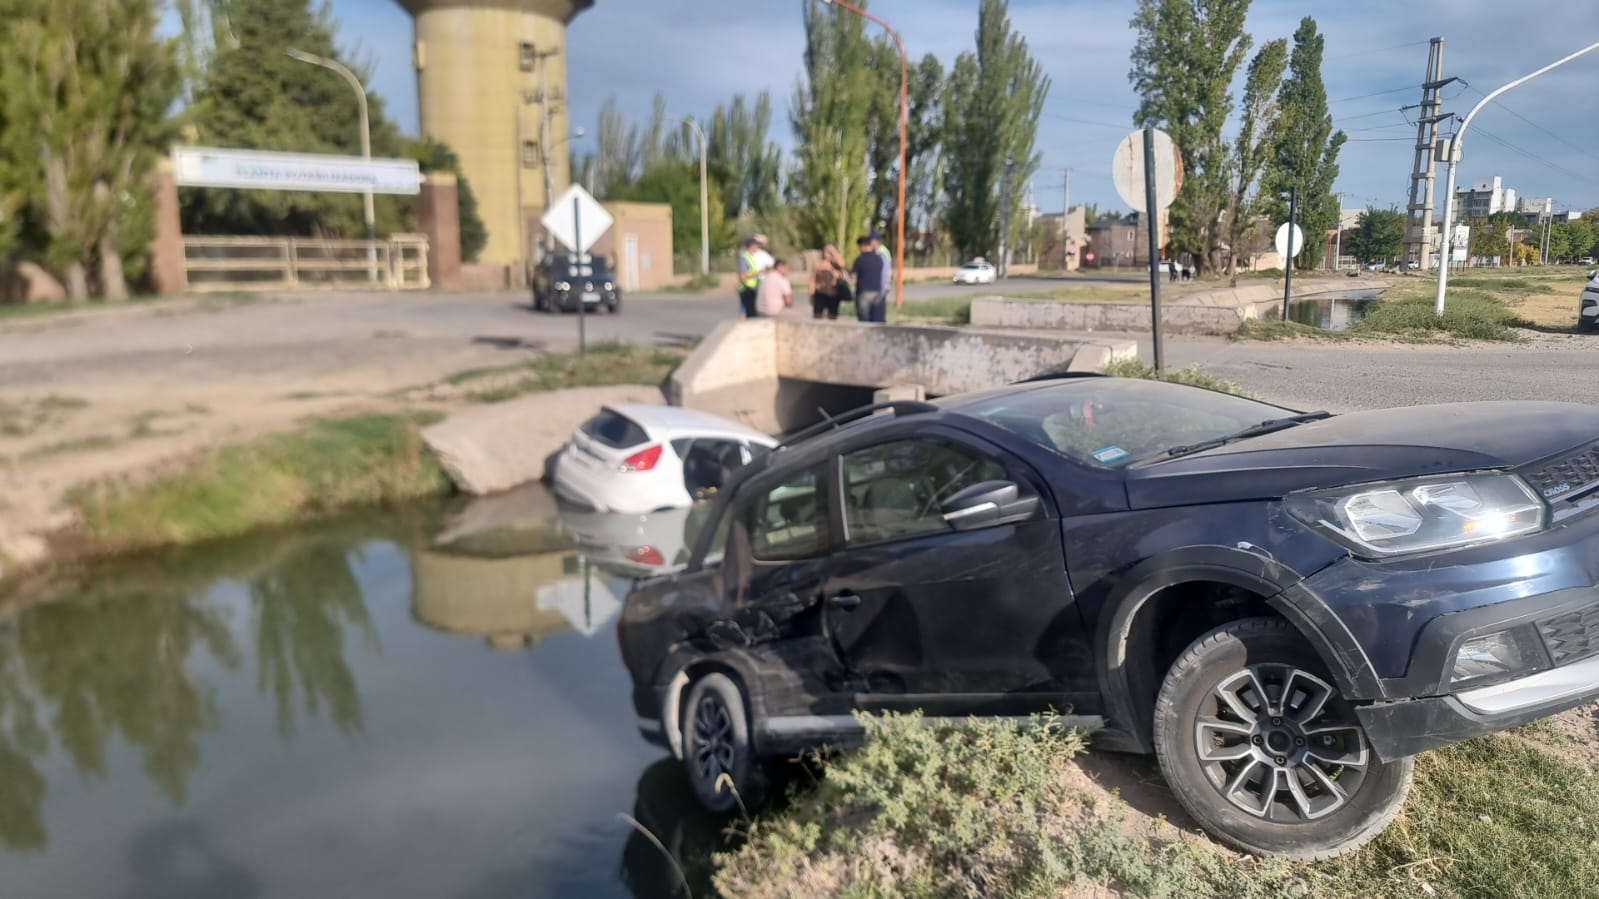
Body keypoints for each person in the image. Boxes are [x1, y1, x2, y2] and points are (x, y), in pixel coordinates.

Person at [850, 235, 888, 323]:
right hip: (877, 292)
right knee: (877, 320)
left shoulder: (859, 260)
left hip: (863, 293)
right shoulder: (879, 259)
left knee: (864, 321)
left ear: (862, 246)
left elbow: (853, 277)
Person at [809, 243, 847, 320]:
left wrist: (833, 252)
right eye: (826, 250)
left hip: (833, 294)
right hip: (820, 293)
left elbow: (842, 264)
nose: (828, 253)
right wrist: (811, 295)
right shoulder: (817, 264)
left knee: (832, 317)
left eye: (830, 251)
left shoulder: (836, 264)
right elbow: (812, 280)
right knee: (817, 316)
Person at [736, 237, 765, 318]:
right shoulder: (744, 258)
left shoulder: (750, 257)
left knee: (751, 312)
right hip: (747, 289)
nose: (758, 248)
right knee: (750, 313)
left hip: (752, 289)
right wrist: (758, 272)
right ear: (752, 246)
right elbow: (742, 276)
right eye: (757, 246)